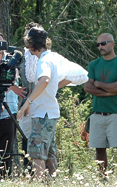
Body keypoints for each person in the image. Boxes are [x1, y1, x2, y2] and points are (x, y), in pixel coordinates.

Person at [17, 27, 87, 178]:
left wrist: (27, 102)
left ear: (30, 44)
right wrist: (53, 86)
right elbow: (81, 74)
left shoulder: (44, 61)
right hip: (51, 114)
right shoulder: (55, 57)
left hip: (43, 114)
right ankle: (52, 186)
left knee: (36, 155)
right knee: (49, 154)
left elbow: (44, 80)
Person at [83, 33, 117, 181]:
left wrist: (99, 84)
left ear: (112, 44)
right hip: (97, 113)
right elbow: (87, 87)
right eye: (98, 44)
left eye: (103, 43)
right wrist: (107, 92)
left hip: (116, 113)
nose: (100, 47)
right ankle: (102, 179)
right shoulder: (94, 64)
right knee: (99, 149)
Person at [0, 29, 26, 177]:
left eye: (1, 43)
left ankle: (4, 178)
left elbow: (9, 78)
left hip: (9, 110)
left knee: (6, 148)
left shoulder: (12, 59)